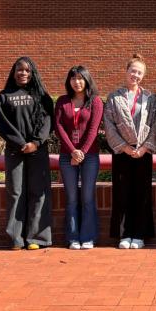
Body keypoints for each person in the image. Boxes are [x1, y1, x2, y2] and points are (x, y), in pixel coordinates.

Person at [0, 57, 54, 250]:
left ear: (32, 73)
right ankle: (16, 238)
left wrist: (35, 143)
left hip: (38, 151)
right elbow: (1, 124)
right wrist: (20, 143)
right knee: (15, 192)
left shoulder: (42, 95)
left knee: (39, 192)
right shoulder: (4, 96)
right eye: (19, 70)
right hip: (15, 151)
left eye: (27, 70)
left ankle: (37, 238)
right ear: (13, 72)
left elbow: (47, 121)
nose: (23, 73)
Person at [104, 54, 156, 249]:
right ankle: (124, 234)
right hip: (122, 154)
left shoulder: (150, 98)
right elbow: (109, 126)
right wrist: (125, 148)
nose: (136, 75)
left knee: (141, 194)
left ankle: (139, 234)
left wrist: (144, 148)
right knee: (122, 193)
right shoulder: (114, 97)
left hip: (143, 153)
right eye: (133, 71)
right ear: (126, 71)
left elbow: (154, 125)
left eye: (139, 73)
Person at [54, 66, 103, 250]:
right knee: (72, 198)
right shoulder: (62, 101)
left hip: (89, 156)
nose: (77, 82)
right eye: (73, 79)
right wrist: (72, 151)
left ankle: (88, 236)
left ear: (87, 80)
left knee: (88, 197)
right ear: (69, 82)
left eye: (81, 78)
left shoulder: (95, 102)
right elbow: (58, 127)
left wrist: (81, 152)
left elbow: (93, 129)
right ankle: (73, 237)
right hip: (67, 156)